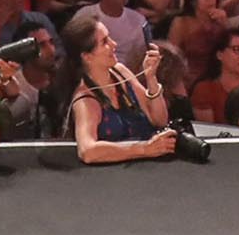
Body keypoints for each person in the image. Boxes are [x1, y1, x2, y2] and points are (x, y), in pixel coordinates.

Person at [62, 14, 176, 164]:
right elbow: (87, 151)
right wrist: (144, 149)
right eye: (104, 42)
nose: (114, 44)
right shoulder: (85, 100)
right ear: (87, 56)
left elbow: (159, 120)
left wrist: (151, 78)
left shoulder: (120, 72)